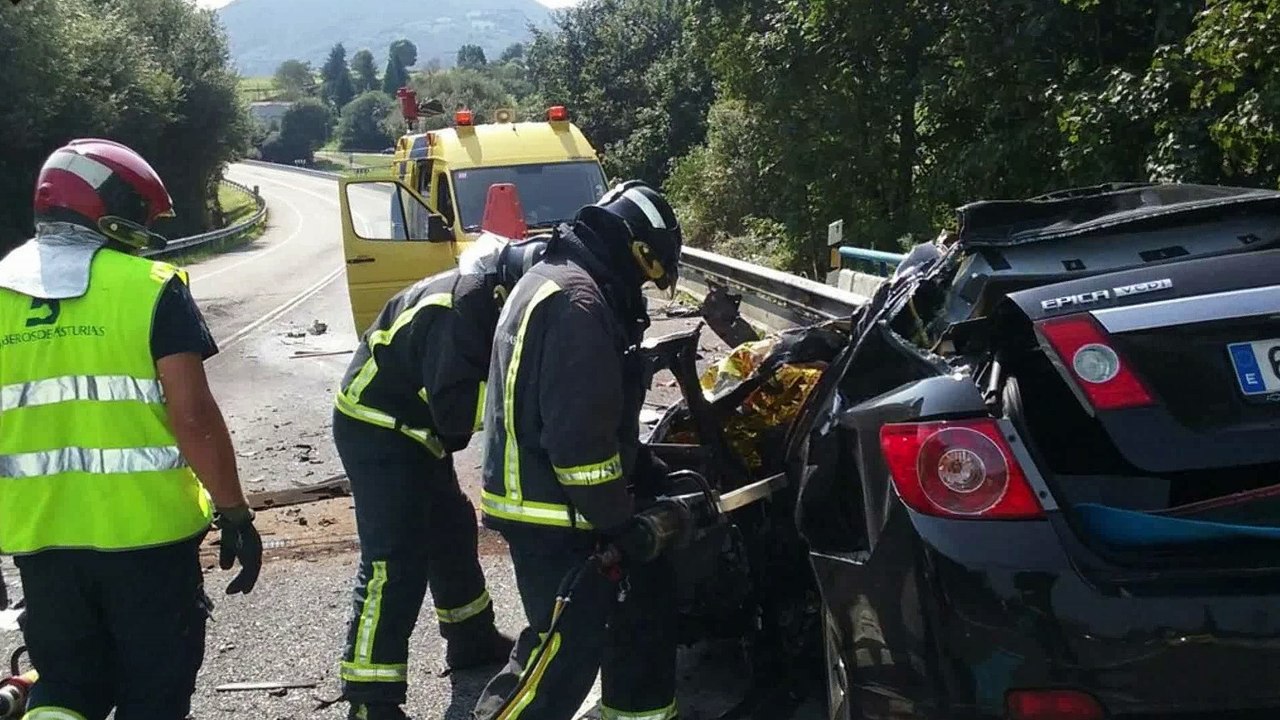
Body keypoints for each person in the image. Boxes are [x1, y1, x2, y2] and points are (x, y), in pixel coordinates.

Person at [0, 138, 263, 719]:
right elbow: (192, 416)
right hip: (148, 544)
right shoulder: (149, 288)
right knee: (153, 694)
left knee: (64, 692)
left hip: (39, 544)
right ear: (110, 208)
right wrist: (235, 511)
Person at [472, 180, 685, 720]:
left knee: (595, 635)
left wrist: (645, 470)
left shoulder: (554, 278)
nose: (644, 285)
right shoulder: (580, 303)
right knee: (557, 661)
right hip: (553, 511)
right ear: (636, 250)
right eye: (650, 272)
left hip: (540, 500)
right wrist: (620, 523)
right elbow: (580, 448)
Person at [334, 230, 549, 720]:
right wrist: (520, 406)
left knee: (451, 526)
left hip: (413, 428)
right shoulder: (463, 313)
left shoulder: (480, 299)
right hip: (378, 428)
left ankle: (470, 638)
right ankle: (369, 698)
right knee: (394, 560)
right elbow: (457, 417)